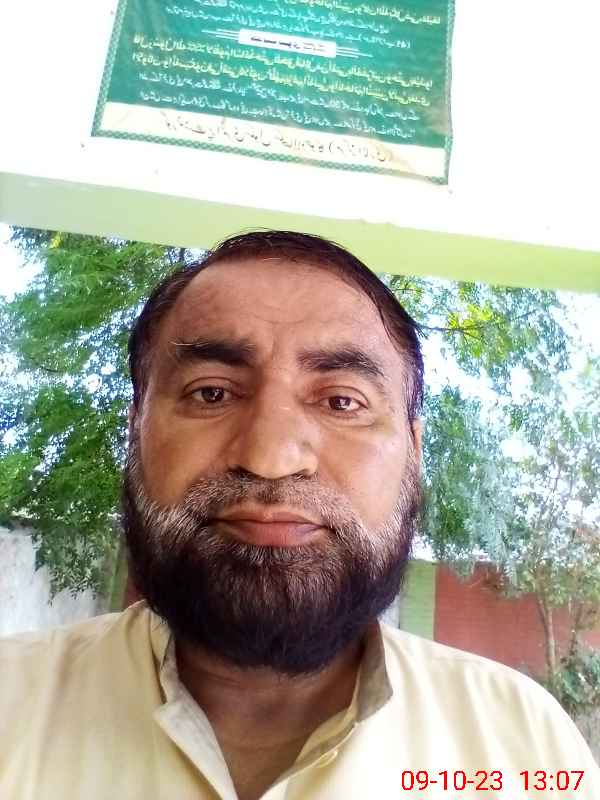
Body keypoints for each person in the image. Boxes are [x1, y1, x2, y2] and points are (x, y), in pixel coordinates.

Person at [0, 230, 598, 800]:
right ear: (136, 432)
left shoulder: (525, 749)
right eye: (211, 392)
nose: (270, 458)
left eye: (342, 401)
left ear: (413, 454)